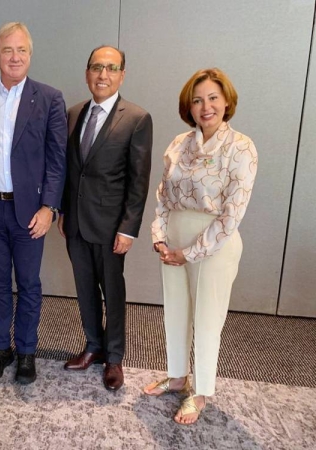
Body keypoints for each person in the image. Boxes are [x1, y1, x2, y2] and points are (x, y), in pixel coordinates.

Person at [143, 68, 258, 424]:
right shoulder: (179, 143)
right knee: (175, 310)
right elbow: (163, 195)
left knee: (207, 319)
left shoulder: (241, 147)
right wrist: (159, 236)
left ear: (226, 101)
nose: (205, 106)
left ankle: (202, 391)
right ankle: (178, 376)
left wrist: (190, 252)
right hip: (174, 238)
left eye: (212, 98)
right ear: (188, 107)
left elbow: (232, 213)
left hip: (214, 244)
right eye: (197, 100)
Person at [0, 22, 67, 384]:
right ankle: (0, 349)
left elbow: (57, 159)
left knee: (30, 284)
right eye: (8, 50)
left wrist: (49, 207)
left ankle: (26, 352)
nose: (15, 57)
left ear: (30, 55)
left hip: (29, 213)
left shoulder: (49, 99)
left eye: (21, 50)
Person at [58, 46, 153, 391]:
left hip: (113, 227)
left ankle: (114, 358)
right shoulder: (73, 113)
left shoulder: (137, 119)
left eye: (111, 68)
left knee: (112, 293)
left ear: (122, 75)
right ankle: (93, 347)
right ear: (87, 73)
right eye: (97, 67)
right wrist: (64, 212)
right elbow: (71, 172)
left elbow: (138, 181)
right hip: (76, 225)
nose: (103, 75)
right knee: (84, 290)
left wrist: (129, 228)